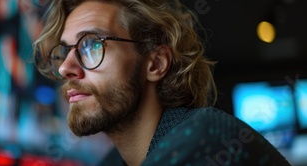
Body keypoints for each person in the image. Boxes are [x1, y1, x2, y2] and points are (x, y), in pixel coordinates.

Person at [32, 0, 290, 165]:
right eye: (65, 51)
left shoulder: (204, 138)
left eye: (91, 46)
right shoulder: (114, 161)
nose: (66, 68)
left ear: (155, 64)